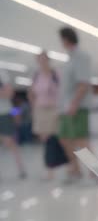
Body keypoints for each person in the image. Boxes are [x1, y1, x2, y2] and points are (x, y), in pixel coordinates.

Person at [57, 27, 93, 184]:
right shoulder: (70, 58)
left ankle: (97, 174)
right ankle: (76, 170)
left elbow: (83, 84)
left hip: (77, 106)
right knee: (65, 139)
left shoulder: (81, 57)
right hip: (67, 107)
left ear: (66, 39)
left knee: (81, 141)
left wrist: (73, 104)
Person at [29, 51, 60, 180]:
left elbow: (61, 92)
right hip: (40, 109)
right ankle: (49, 169)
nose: (42, 62)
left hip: (53, 109)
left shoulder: (55, 74)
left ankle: (58, 167)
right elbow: (31, 92)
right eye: (39, 59)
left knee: (54, 139)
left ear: (48, 60)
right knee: (45, 140)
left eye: (44, 59)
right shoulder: (36, 75)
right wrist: (33, 106)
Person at [0, 72, 26, 179]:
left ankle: (21, 169)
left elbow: (9, 93)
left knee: (9, 142)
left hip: (4, 114)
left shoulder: (2, 74)